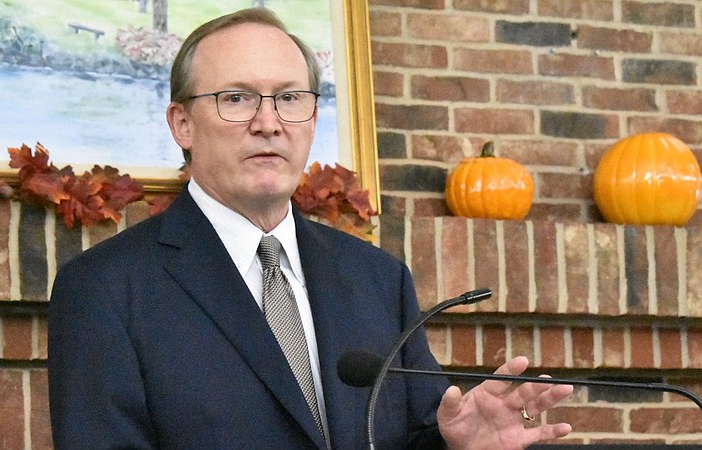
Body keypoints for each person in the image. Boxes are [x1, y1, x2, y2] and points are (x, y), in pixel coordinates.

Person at [47, 7, 573, 449]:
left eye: (291, 97)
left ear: (313, 119)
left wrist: (456, 445)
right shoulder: (105, 289)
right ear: (181, 124)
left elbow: (407, 436)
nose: (269, 122)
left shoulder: (377, 279)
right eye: (236, 98)